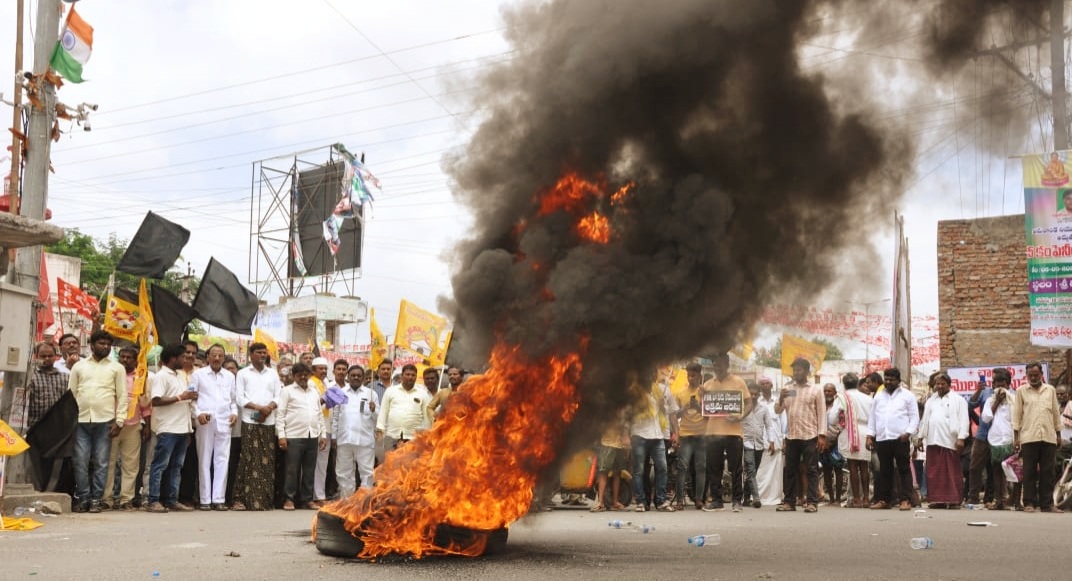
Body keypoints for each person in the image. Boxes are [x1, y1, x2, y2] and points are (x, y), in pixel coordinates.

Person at [68, 330, 126, 513]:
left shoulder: (117, 368)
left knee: (102, 462)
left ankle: (96, 500)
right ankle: (83, 497)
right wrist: (70, 421)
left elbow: (123, 395)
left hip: (105, 422)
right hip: (81, 420)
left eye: (108, 344)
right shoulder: (79, 367)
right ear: (92, 345)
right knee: (80, 462)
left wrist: (120, 421)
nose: (106, 347)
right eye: (102, 343)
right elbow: (71, 394)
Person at [146, 344, 197, 513]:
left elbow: (184, 401)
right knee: (160, 465)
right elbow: (156, 401)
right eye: (182, 357)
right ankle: (153, 500)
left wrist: (189, 428)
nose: (186, 359)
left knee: (176, 466)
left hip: (182, 428)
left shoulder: (179, 376)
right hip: (168, 428)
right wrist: (180, 397)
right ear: (173, 358)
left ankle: (171, 499)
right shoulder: (161, 376)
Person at [233, 342, 282, 511]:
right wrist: (258, 408)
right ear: (251, 354)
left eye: (264, 353)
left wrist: (268, 408)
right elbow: (240, 398)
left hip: (268, 421)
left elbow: (278, 396)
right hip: (250, 421)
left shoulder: (273, 374)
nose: (262, 355)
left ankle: (265, 501)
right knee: (248, 459)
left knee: (267, 461)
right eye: (259, 352)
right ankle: (242, 499)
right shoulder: (243, 373)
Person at [103, 346, 151, 511]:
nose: (124, 360)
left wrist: (147, 425)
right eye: (122, 357)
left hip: (133, 425)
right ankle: (106, 499)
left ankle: (126, 499)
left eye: (129, 357)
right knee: (108, 463)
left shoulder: (141, 377)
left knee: (130, 465)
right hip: (112, 425)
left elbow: (145, 404)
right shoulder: (111, 374)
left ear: (136, 360)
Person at [191, 344, 238, 511]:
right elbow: (192, 399)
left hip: (225, 421)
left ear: (224, 358)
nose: (217, 358)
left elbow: (233, 400)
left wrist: (234, 413)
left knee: (222, 460)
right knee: (204, 459)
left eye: (220, 355)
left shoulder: (230, 377)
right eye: (214, 355)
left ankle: (218, 498)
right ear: (208, 357)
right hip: (205, 421)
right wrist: (198, 413)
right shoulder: (198, 375)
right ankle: (205, 499)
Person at [775, 358, 826, 513]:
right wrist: (780, 398)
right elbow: (777, 410)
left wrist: (822, 435)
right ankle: (789, 502)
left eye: (799, 370)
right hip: (792, 435)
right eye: (794, 370)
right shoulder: (789, 389)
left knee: (811, 469)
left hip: (810, 435)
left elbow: (822, 412)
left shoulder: (816, 389)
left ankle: (812, 502)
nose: (796, 373)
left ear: (807, 371)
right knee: (790, 470)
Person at [1011, 361, 1063, 513]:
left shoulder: (1050, 390)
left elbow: (1055, 412)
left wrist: (1058, 434)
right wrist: (1016, 437)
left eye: (1036, 375)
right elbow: (1017, 415)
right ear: (1026, 376)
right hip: (1029, 436)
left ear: (1041, 375)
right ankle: (1029, 503)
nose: (1033, 378)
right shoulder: (1021, 391)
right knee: (1029, 472)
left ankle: (1047, 504)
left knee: (1048, 472)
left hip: (1048, 436)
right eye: (1030, 375)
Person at [702, 353, 751, 512]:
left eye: (720, 364)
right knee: (713, 468)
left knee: (736, 468)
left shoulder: (739, 382)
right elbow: (705, 412)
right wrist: (700, 401)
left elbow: (749, 403)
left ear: (727, 364)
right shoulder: (707, 385)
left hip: (734, 432)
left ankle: (737, 501)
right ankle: (716, 500)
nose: (718, 367)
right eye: (715, 364)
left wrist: (740, 416)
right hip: (713, 432)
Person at [866, 368, 919, 511]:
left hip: (900, 438)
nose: (888, 382)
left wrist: (908, 432)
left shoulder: (907, 396)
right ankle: (885, 500)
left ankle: (905, 500)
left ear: (898, 381)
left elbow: (914, 417)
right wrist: (870, 435)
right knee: (884, 471)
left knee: (903, 469)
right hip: (882, 437)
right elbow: (873, 417)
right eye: (886, 379)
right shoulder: (878, 396)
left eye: (891, 379)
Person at [915, 371, 969, 509]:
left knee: (951, 471)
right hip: (933, 440)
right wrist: (920, 437)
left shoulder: (958, 400)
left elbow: (964, 419)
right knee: (934, 472)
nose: (939, 386)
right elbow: (924, 420)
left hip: (950, 441)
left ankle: (953, 500)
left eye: (942, 384)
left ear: (949, 385)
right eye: (937, 384)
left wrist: (961, 438)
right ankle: (937, 500)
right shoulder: (931, 400)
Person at [276, 363, 327, 510]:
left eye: (306, 374)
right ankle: (289, 499)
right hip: (293, 435)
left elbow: (319, 414)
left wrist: (322, 434)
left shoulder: (314, 392)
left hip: (312, 435)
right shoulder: (287, 391)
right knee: (292, 470)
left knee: (310, 470)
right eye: (300, 375)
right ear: (294, 375)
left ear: (310, 375)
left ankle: (307, 499)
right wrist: (281, 435)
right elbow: (281, 415)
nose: (303, 377)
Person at [25, 342, 71, 491]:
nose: (46, 359)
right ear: (35, 357)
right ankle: (37, 491)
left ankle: (51, 493)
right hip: (35, 428)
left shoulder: (65, 378)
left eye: (50, 356)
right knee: (36, 465)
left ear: (55, 357)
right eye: (42, 356)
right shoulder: (30, 378)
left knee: (56, 465)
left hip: (58, 430)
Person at [627, 370, 676, 512]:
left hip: (657, 435)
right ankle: (641, 502)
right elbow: (628, 414)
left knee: (662, 468)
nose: (649, 377)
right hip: (639, 435)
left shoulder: (661, 390)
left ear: (654, 376)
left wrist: (662, 407)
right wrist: (625, 434)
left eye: (652, 374)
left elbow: (667, 413)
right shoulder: (634, 393)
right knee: (639, 471)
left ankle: (660, 501)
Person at [333, 365, 378, 496]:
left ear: (363, 378)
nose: (356, 377)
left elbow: (378, 418)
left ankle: (363, 504)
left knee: (367, 473)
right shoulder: (340, 392)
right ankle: (347, 502)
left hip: (365, 440)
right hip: (345, 438)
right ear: (348, 377)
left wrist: (374, 410)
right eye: (353, 375)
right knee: (344, 473)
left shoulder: (371, 394)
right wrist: (334, 436)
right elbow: (335, 416)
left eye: (359, 375)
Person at [673, 363, 708, 510]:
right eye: (689, 375)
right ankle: (680, 500)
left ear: (700, 375)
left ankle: (699, 499)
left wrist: (697, 408)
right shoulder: (681, 393)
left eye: (694, 375)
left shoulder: (705, 392)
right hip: (686, 434)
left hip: (701, 435)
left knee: (701, 467)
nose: (691, 378)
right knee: (682, 467)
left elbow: (710, 413)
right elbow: (675, 415)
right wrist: (686, 408)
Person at [376, 364, 433, 453]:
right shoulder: (391, 391)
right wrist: (380, 430)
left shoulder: (422, 394)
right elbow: (383, 411)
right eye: (407, 374)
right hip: (392, 436)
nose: (410, 377)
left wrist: (425, 435)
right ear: (402, 376)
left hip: (413, 438)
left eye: (413, 375)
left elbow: (427, 417)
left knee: (410, 465)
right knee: (390, 464)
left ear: (416, 377)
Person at [981, 371, 1017, 510]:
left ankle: (1013, 500)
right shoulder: (990, 400)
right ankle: (999, 500)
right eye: (997, 386)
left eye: (1003, 386)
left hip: (1011, 439)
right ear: (993, 385)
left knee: (1013, 471)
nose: (1000, 389)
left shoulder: (1014, 399)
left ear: (1009, 385)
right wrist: (997, 401)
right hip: (995, 439)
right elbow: (986, 418)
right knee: (996, 471)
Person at [838, 373, 873, 508]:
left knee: (853, 467)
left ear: (844, 384)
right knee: (864, 467)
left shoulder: (842, 397)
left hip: (851, 431)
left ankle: (857, 499)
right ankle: (866, 499)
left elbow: (836, 415)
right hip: (866, 431)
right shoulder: (867, 398)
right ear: (858, 383)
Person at [741, 380, 777, 509]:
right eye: (751, 394)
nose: (753, 396)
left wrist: (771, 442)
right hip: (746, 442)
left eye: (756, 394)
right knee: (750, 469)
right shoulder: (741, 408)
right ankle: (756, 498)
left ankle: (746, 498)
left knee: (753, 472)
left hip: (759, 444)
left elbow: (769, 426)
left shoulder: (764, 408)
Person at [309, 357, 335, 507]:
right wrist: (325, 399)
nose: (324, 371)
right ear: (313, 370)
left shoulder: (326, 383)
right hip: (314, 427)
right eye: (321, 368)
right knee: (312, 463)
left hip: (327, 426)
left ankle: (319, 495)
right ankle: (310, 495)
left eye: (325, 368)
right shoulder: (311, 383)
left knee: (322, 463)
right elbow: (314, 404)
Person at [967, 373, 996, 506]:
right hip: (982, 434)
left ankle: (989, 498)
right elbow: (971, 404)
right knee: (975, 467)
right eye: (995, 381)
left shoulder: (1011, 394)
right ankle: (973, 497)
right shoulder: (985, 392)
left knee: (994, 469)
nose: (997, 384)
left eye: (1001, 381)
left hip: (999, 436)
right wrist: (978, 390)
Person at [591, 411, 629, 512]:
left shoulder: (621, 409)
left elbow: (624, 424)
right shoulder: (606, 407)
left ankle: (615, 502)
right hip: (606, 444)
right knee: (603, 473)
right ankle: (600, 502)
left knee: (617, 474)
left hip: (619, 445)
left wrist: (626, 438)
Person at [756, 377, 785, 506]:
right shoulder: (756, 401)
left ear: (772, 385)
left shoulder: (778, 402)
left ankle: (775, 497)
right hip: (761, 439)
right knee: (760, 471)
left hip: (777, 440)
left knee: (776, 474)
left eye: (767, 383)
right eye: (762, 384)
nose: (765, 386)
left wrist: (784, 439)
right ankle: (758, 496)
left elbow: (783, 421)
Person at [821, 383, 846, 506]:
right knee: (826, 470)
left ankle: (837, 499)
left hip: (836, 442)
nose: (827, 393)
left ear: (835, 392)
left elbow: (842, 423)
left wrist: (832, 440)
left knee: (838, 469)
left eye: (830, 391)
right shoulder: (820, 406)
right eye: (825, 391)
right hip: (822, 442)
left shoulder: (839, 406)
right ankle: (830, 498)